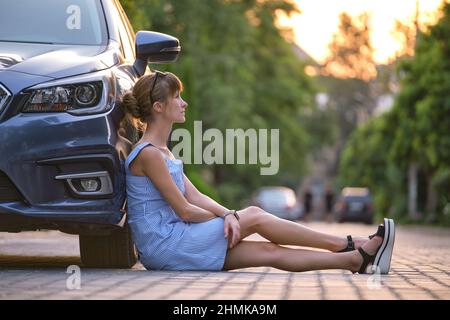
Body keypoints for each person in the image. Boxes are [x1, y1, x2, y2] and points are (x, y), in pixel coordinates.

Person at [121, 71, 396, 274]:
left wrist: (229, 216)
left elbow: (197, 197)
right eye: (177, 97)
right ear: (158, 107)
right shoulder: (148, 154)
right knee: (252, 214)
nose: (184, 103)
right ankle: (347, 243)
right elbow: (185, 210)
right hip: (166, 245)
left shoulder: (164, 152)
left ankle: (355, 260)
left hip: (179, 240)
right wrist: (235, 219)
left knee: (269, 252)